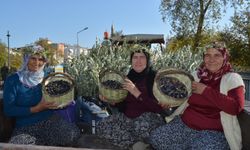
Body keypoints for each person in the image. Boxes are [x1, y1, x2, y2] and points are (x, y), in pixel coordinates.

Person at [149, 41, 245, 150]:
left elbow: (236, 107)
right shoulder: (197, 75)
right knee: (156, 138)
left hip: (212, 133)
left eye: (217, 55)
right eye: (207, 55)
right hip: (185, 125)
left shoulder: (232, 78)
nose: (211, 59)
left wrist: (206, 91)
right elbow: (182, 97)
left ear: (225, 58)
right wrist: (169, 103)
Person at [3, 45, 80, 146]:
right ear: (26, 59)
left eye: (41, 59)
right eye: (33, 58)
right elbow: (9, 110)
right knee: (18, 146)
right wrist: (36, 109)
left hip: (49, 120)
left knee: (73, 135)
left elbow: (59, 94)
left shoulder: (48, 78)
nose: (37, 63)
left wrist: (63, 100)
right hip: (25, 126)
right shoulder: (13, 80)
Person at [96, 48, 166, 149]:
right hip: (128, 119)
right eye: (135, 57)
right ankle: (135, 144)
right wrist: (111, 101)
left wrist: (136, 92)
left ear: (147, 60)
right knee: (101, 126)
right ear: (131, 61)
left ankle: (137, 142)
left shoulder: (154, 78)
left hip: (148, 119)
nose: (138, 61)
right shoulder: (127, 78)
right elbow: (123, 105)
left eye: (142, 57)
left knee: (139, 127)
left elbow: (158, 108)